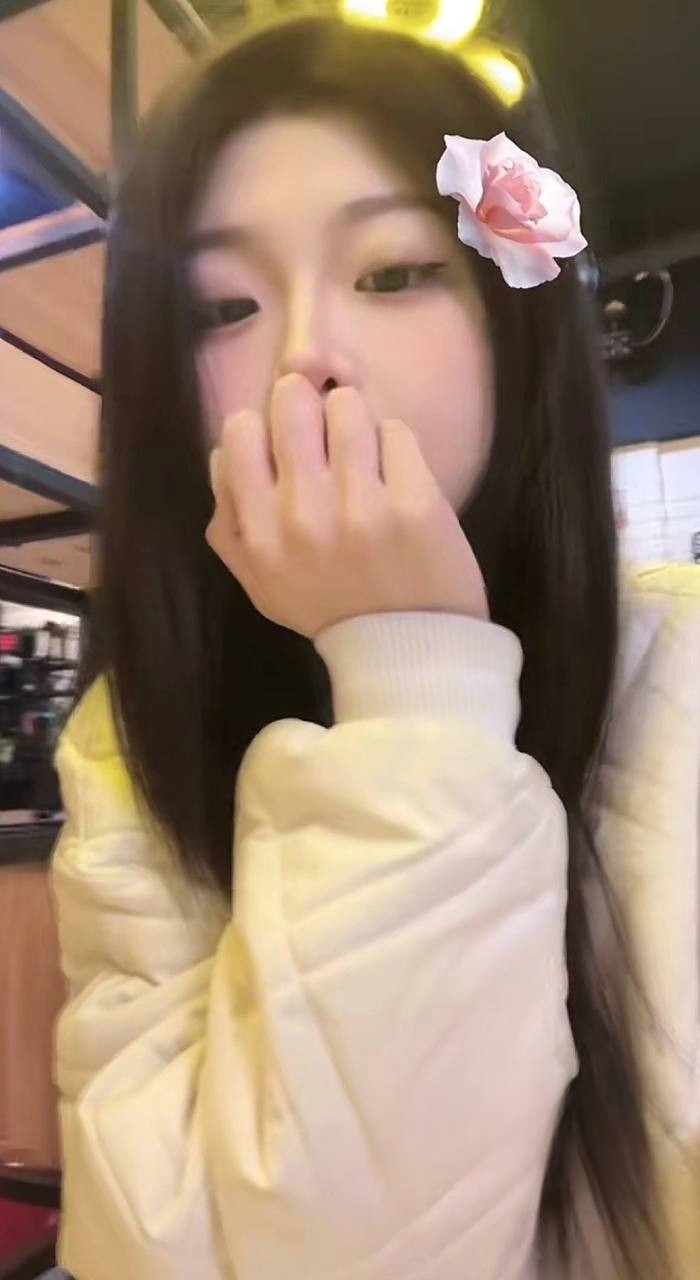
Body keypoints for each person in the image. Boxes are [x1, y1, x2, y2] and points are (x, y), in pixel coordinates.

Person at [46, 14, 700, 1280]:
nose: (307, 354)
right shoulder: (124, 753)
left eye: (394, 273)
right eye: (221, 305)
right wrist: (410, 674)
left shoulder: (679, 671)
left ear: (516, 328)